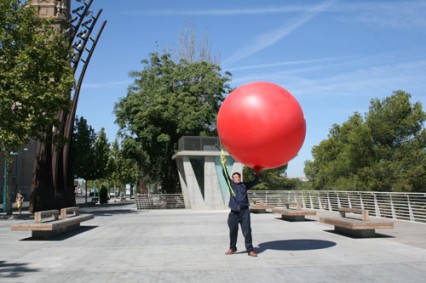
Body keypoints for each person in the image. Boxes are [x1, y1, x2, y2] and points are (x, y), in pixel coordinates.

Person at [221, 152, 260, 257]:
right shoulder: (231, 185)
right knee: (233, 231)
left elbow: (256, 181)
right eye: (235, 177)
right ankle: (232, 248)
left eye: (238, 177)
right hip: (233, 213)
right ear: (233, 179)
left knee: (247, 231)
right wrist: (223, 162)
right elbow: (224, 174)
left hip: (244, 212)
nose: (237, 178)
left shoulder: (244, 185)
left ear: (240, 178)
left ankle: (250, 250)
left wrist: (256, 173)